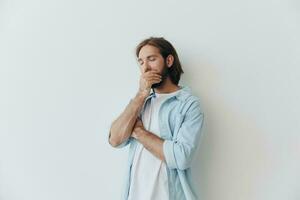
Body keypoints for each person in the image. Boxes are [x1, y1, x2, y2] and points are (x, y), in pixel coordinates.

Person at [108, 36, 205, 200]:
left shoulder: (188, 104)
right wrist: (140, 95)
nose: (145, 68)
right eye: (141, 62)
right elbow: (115, 140)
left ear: (169, 60)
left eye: (151, 59)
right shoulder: (141, 102)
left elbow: (181, 158)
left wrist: (138, 132)